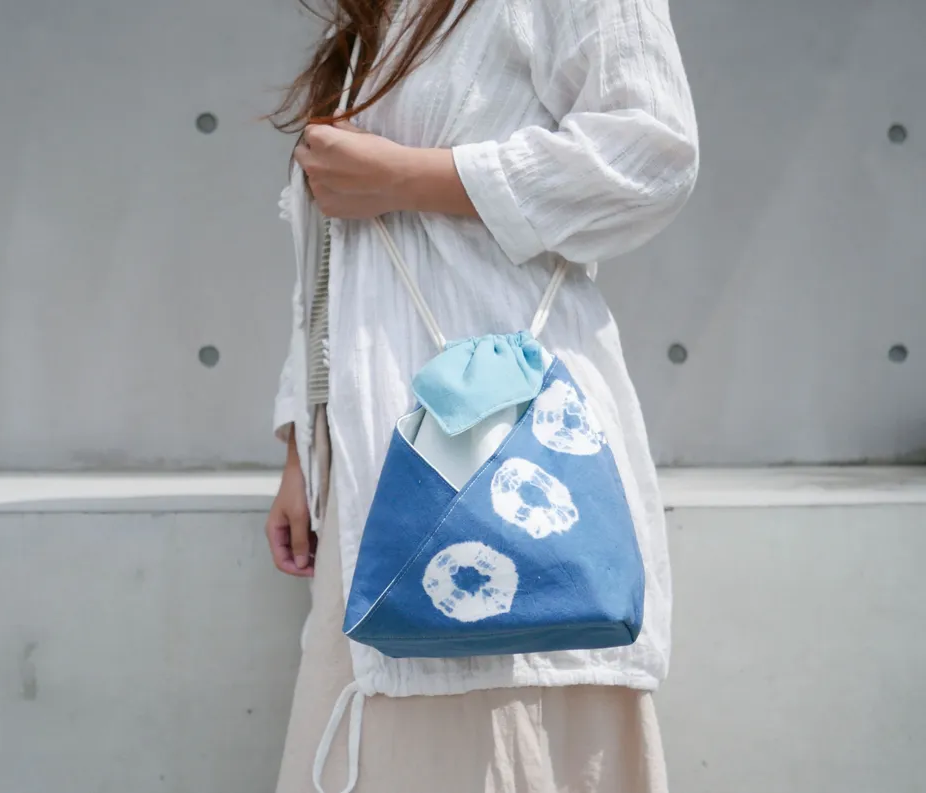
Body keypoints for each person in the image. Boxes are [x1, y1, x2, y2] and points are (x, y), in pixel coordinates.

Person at [265, 0, 698, 791]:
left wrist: (410, 177)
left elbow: (651, 154)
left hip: (501, 440)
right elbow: (333, 263)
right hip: (369, 457)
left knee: (491, 708)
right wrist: (304, 444)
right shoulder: (370, 16)